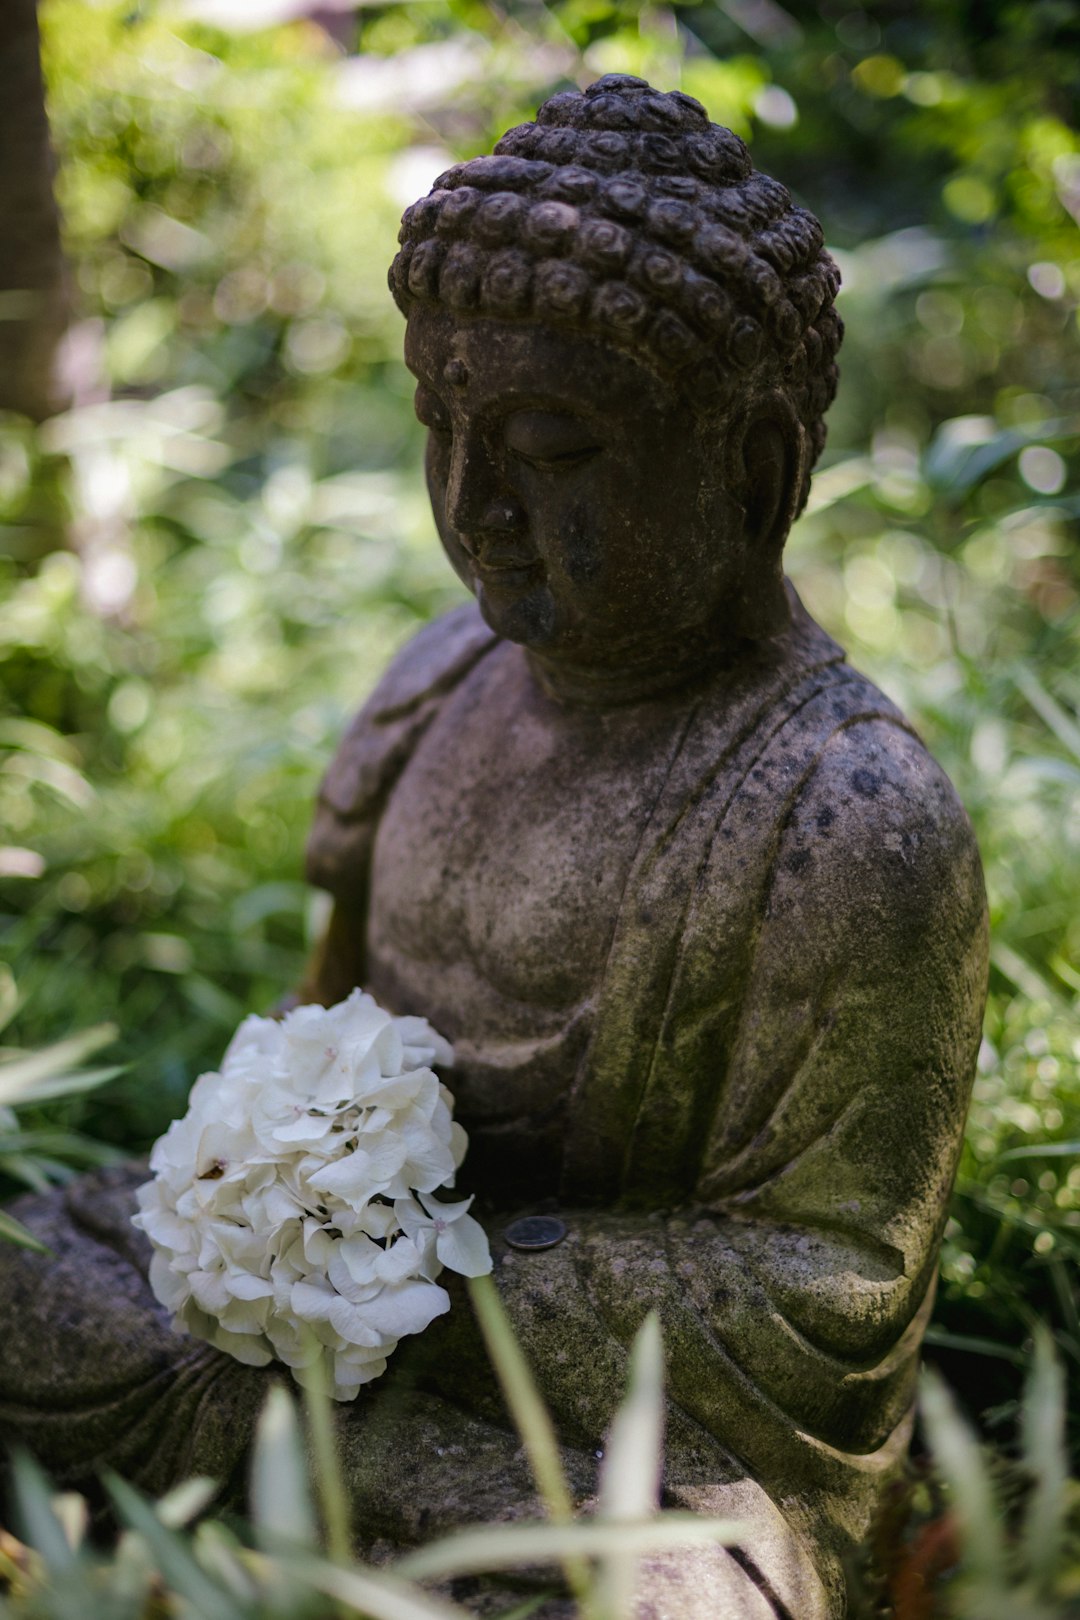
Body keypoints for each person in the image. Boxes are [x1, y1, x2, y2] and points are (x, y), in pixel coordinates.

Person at [0, 77, 987, 1620]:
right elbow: (317, 1030)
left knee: (652, 1601)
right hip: (350, 1356)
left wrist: (423, 1277)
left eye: (552, 446)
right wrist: (259, 1210)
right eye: (439, 427)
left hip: (617, 1454)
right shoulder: (430, 684)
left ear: (758, 471)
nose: (475, 503)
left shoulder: (842, 817)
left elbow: (831, 1292)